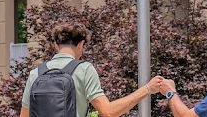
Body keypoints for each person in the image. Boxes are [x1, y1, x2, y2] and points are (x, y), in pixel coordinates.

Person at [19, 23, 163, 117]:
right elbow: (108, 112)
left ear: (55, 45)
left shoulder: (36, 73)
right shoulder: (84, 69)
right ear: (81, 44)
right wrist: (147, 89)